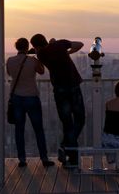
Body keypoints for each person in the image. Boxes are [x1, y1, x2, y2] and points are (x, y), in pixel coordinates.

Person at [30, 34, 85, 166]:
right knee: (80, 119)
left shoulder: (41, 55)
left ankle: (70, 155)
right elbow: (80, 44)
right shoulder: (59, 45)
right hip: (74, 86)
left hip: (60, 90)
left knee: (67, 124)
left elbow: (40, 53)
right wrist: (67, 52)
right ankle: (66, 150)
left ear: (36, 46)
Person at [6, 37, 54, 168]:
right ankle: (44, 158)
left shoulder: (10, 61)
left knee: (19, 130)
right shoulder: (32, 61)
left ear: (17, 47)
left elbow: (10, 74)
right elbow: (42, 71)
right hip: (31, 97)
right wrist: (37, 57)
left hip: (16, 98)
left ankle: (22, 160)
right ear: (27, 47)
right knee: (38, 129)